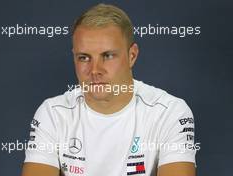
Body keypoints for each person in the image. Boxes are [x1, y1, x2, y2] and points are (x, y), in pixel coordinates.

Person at [21, 3, 196, 176]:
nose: (95, 70)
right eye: (84, 57)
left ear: (132, 56)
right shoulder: (52, 114)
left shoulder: (170, 113)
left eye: (108, 56)